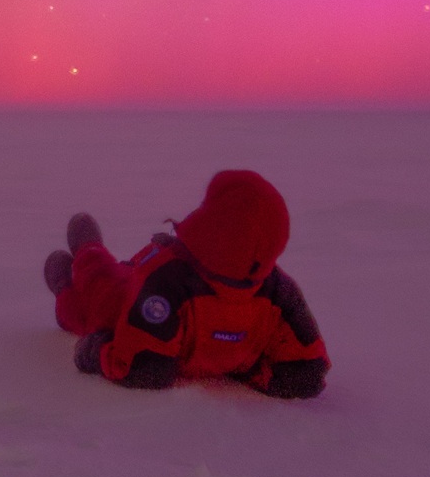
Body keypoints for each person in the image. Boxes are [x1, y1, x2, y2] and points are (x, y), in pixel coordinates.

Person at [44, 169, 328, 398]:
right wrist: (240, 365)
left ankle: (79, 266)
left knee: (103, 294)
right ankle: (89, 263)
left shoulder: (169, 282)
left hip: (140, 313)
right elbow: (306, 371)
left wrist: (95, 353)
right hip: (162, 301)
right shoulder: (277, 291)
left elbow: (144, 366)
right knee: (130, 274)